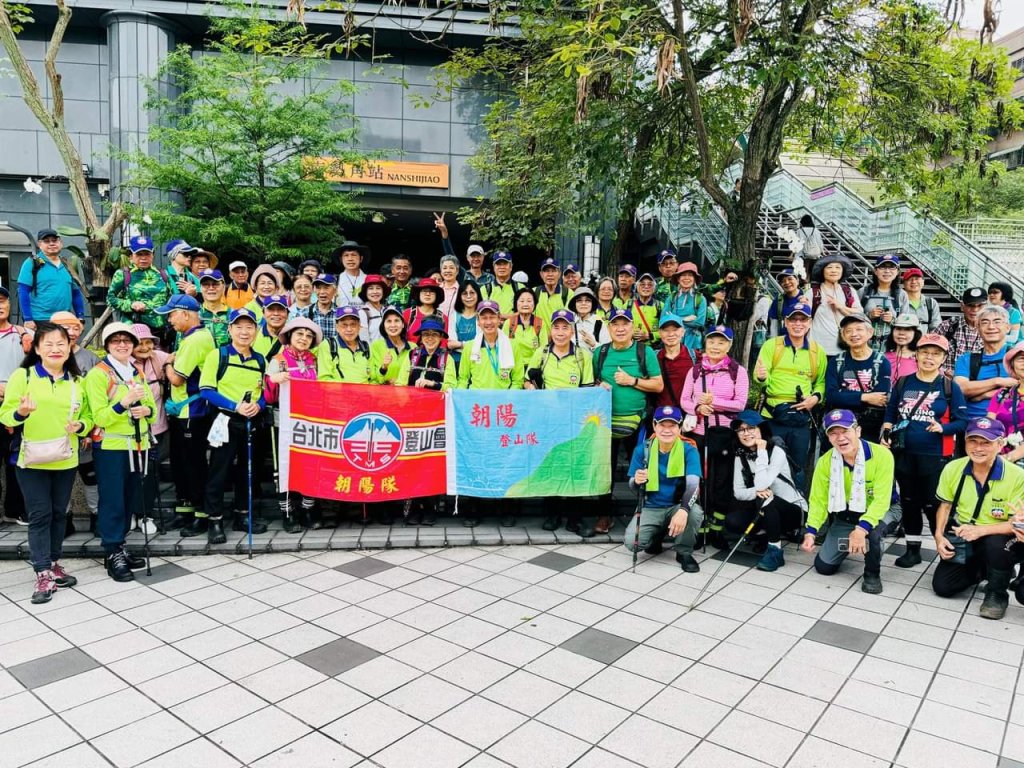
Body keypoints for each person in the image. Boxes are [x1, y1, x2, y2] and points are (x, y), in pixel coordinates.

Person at [0, 322, 91, 603]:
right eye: (48, 344)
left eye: (61, 344)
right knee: (39, 515)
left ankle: (53, 563)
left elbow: (88, 418)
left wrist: (82, 426)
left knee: (57, 513)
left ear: (70, 348)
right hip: (31, 459)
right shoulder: (23, 376)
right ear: (37, 348)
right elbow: (6, 416)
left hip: (65, 458)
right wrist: (21, 412)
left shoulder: (77, 381)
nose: (55, 349)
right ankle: (42, 572)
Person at [882, 333, 967, 567]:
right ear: (917, 354)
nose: (929, 357)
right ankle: (913, 550)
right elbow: (891, 412)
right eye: (925, 352)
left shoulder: (949, 386)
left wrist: (943, 427)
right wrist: (886, 431)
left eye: (936, 354)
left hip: (935, 455)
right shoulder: (903, 382)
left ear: (943, 359)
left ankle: (947, 548)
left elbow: (963, 421)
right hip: (904, 452)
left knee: (934, 504)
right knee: (909, 502)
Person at [932, 418, 1024, 620]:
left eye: (986, 442)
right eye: (973, 441)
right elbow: (945, 505)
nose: (978, 448)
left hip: (1002, 536)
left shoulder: (1017, 476)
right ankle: (985, 569)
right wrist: (938, 536)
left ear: (1000, 445)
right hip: (965, 535)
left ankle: (996, 594)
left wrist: (981, 530)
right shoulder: (953, 468)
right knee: (943, 586)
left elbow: (1018, 524)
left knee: (995, 545)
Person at [87, 323, 157, 583]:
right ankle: (112, 551)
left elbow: (151, 405)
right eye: (115, 341)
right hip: (112, 447)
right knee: (113, 500)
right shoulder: (98, 375)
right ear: (106, 345)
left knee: (129, 498)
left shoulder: (135, 371)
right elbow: (100, 417)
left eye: (126, 340)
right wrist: (124, 404)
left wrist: (146, 411)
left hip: (137, 445)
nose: (122, 345)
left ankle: (120, 545)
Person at [802, 409, 897, 594]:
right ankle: (856, 543)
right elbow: (818, 499)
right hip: (847, 514)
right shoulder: (825, 461)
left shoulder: (882, 455)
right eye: (833, 433)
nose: (840, 438)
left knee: (873, 534)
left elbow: (881, 500)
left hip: (885, 509)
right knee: (824, 566)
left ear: (858, 431)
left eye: (845, 431)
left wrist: (861, 530)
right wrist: (811, 531)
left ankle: (872, 572)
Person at [523, 309, 596, 538]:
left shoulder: (582, 356)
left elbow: (587, 390)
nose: (561, 332)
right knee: (551, 466)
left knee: (575, 468)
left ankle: (575, 518)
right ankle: (552, 514)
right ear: (551, 329)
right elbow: (527, 380)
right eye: (557, 327)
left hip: (574, 422)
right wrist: (531, 388)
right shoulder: (541, 354)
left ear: (572, 330)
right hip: (547, 421)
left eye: (565, 327)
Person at [199, 308, 269, 544]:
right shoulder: (218, 355)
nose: (244, 332)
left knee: (247, 471)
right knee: (219, 471)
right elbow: (206, 390)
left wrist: (258, 405)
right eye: (238, 326)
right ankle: (215, 520)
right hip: (224, 420)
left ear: (256, 331)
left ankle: (243, 515)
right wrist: (234, 405)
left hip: (251, 421)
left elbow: (265, 392)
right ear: (229, 329)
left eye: (249, 327)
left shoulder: (260, 359)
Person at [593, 308, 664, 533]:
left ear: (633, 327)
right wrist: (598, 385)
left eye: (625, 324)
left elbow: (658, 384)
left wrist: (632, 380)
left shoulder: (645, 352)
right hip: (606, 422)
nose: (620, 328)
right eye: (615, 324)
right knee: (606, 470)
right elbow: (593, 380)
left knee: (639, 468)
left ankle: (642, 513)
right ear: (609, 328)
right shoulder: (601, 352)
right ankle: (604, 514)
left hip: (637, 421)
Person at [158, 294, 216, 534]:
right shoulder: (189, 337)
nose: (169, 320)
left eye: (171, 314)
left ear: (185, 313)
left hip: (194, 411)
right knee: (181, 463)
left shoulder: (195, 340)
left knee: (194, 464)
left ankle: (202, 514)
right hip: (182, 411)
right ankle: (185, 511)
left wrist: (166, 363)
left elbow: (177, 378)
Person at [753, 302, 826, 490]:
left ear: (810, 322)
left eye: (803, 319)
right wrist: (761, 378)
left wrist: (815, 398)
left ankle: (796, 506)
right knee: (768, 461)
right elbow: (761, 377)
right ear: (786, 322)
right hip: (772, 416)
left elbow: (821, 382)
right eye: (793, 319)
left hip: (802, 419)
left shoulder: (817, 352)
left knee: (797, 465)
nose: (798, 323)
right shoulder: (772, 346)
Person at [624, 406, 703, 573]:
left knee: (694, 512)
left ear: (680, 427)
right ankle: (657, 535)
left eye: (672, 425)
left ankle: (684, 552)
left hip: (676, 504)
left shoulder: (689, 450)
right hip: (651, 505)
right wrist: (636, 481)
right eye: (662, 425)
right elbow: (633, 487)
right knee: (633, 544)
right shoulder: (642, 450)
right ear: (654, 425)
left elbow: (693, 485)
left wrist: (683, 510)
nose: (667, 430)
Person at [729, 411, 807, 572]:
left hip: (794, 510)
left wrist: (762, 451)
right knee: (733, 521)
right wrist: (757, 492)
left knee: (766, 500)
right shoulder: (740, 455)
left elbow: (763, 483)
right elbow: (739, 492)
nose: (746, 433)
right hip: (764, 506)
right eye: (741, 430)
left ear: (761, 430)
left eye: (751, 428)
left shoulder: (776, 451)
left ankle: (775, 551)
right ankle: (766, 536)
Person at [265, 317, 322, 532]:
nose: (304, 339)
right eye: (300, 334)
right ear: (289, 336)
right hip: (284, 422)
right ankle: (288, 512)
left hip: (310, 422)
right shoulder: (278, 359)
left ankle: (308, 508)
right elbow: (268, 396)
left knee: (310, 464)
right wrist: (273, 380)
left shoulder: (315, 360)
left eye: (308, 336)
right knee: (284, 467)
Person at [824, 314, 891, 442]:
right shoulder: (836, 361)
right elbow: (831, 396)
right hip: (840, 423)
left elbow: (880, 398)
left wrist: (844, 396)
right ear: (843, 336)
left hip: (870, 426)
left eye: (859, 329)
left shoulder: (881, 362)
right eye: (848, 331)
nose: (854, 334)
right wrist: (865, 397)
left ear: (870, 332)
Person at [130, 323, 171, 530]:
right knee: (131, 473)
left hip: (156, 428)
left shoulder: (158, 358)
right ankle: (131, 512)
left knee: (151, 474)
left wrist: (170, 368)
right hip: (128, 431)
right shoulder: (122, 363)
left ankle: (146, 514)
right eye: (139, 343)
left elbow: (176, 358)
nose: (144, 347)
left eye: (148, 342)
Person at [681, 325, 749, 442]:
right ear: (705, 344)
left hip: (726, 432)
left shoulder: (738, 371)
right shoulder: (695, 370)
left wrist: (713, 401)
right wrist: (698, 408)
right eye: (711, 342)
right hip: (697, 431)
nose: (715, 347)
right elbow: (684, 400)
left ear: (729, 346)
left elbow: (740, 404)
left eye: (721, 343)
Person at [953, 303, 1014, 421]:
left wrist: (982, 395)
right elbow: (961, 389)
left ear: (1007, 327)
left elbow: (1019, 386)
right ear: (978, 327)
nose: (991, 327)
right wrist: (998, 381)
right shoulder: (966, 359)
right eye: (985, 322)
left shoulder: (1017, 356)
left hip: (1011, 426)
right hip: (972, 426)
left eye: (997, 322)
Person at [0, 288, 30, 526]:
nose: (0, 305)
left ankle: (14, 509)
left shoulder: (23, 335)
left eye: (3, 301)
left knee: (14, 460)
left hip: (16, 407)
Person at [17, 229, 85, 329]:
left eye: (54, 240)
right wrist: (28, 319)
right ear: (40, 244)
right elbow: (23, 291)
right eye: (47, 241)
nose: (51, 243)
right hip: (39, 320)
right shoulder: (32, 263)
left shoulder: (67, 265)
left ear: (60, 243)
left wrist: (80, 316)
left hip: (64, 320)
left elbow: (76, 293)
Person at [106, 235, 176, 332]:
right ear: (131, 256)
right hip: (134, 328)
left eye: (147, 254)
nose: (143, 258)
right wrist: (131, 304)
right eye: (139, 254)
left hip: (161, 328)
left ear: (153, 255)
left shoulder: (163, 274)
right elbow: (110, 299)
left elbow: (172, 298)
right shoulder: (123, 274)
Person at [457, 301, 523, 391]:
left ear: (499, 319)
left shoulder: (513, 346)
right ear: (478, 321)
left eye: (492, 317)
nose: (488, 322)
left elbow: (518, 381)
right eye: (484, 318)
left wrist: (509, 397)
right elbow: (463, 379)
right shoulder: (470, 347)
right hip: (477, 401)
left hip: (503, 402)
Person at [809, 254, 862, 356]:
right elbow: (804, 316)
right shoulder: (813, 292)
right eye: (829, 267)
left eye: (838, 267)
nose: (834, 270)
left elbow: (859, 313)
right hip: (817, 348)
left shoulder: (849, 291)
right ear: (822, 271)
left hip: (844, 346)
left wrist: (841, 307)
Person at [857, 254, 906, 352]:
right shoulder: (863, 291)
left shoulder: (901, 294)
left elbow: (905, 323)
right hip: (864, 346)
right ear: (875, 271)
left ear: (897, 271)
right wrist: (869, 315)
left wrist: (892, 320)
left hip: (890, 347)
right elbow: (853, 317)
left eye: (892, 267)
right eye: (883, 267)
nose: (887, 271)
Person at [986, 342, 1024, 466]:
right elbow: (989, 427)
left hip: (1007, 460)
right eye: (1021, 359)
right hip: (1002, 460)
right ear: (1012, 365)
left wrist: (1009, 457)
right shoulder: (1002, 394)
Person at [935, 287, 986, 377]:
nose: (975, 310)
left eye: (980, 306)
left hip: (977, 384)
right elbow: (927, 353)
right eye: (971, 305)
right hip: (946, 382)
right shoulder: (947, 326)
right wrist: (943, 371)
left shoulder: (991, 330)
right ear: (962, 306)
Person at [652, 313, 696, 411]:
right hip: (660, 416)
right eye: (666, 330)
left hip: (687, 415)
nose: (671, 334)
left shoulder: (695, 357)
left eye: (675, 330)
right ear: (659, 333)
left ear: (683, 332)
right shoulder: (653, 357)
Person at [318, 306, 372, 383]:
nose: (349, 329)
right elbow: (324, 379)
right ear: (337, 327)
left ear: (359, 326)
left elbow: (373, 379)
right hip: (338, 394)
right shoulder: (329, 345)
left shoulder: (366, 347)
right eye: (344, 325)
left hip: (365, 393)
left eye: (353, 324)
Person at [503, 288, 548, 377]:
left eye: (529, 301)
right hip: (513, 368)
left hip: (533, 369)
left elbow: (544, 349)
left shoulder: (540, 323)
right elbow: (503, 347)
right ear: (516, 303)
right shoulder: (509, 323)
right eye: (522, 301)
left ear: (534, 304)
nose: (525, 304)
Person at [668, 262, 706, 354]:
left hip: (694, 343)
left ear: (695, 279)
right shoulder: (671, 298)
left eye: (690, 275)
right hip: (673, 341)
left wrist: (674, 318)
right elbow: (664, 320)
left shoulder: (700, 299)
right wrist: (684, 319)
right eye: (683, 275)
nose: (686, 278)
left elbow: (699, 323)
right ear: (678, 278)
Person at [371, 307, 414, 385]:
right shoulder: (376, 346)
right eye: (389, 321)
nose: (393, 325)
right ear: (383, 325)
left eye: (397, 321)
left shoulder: (413, 347)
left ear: (403, 324)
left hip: (407, 393)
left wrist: (400, 381)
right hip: (384, 393)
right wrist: (384, 367)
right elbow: (375, 378)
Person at [480, 251, 524, 320]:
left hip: (514, 329)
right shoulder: (485, 289)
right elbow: (481, 313)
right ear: (493, 266)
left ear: (511, 266)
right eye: (498, 264)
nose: (502, 267)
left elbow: (524, 312)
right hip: (491, 328)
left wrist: (500, 316)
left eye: (505, 264)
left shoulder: (520, 288)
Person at [404, 278, 448, 345]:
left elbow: (443, 343)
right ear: (418, 294)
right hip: (409, 354)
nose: (428, 294)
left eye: (431, 291)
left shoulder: (442, 317)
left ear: (437, 295)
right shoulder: (408, 314)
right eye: (424, 291)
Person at [448, 281, 481, 367]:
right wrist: (471, 344)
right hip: (456, 360)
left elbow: (482, 342)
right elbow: (451, 344)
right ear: (460, 296)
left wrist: (460, 344)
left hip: (477, 359)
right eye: (465, 293)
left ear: (478, 295)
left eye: (472, 293)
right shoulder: (454, 315)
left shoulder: (482, 315)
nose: (469, 296)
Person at [568, 287, 610, 352]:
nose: (583, 303)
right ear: (574, 304)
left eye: (587, 300)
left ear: (592, 304)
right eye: (579, 300)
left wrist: (593, 344)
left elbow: (607, 350)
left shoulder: (598, 323)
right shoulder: (569, 322)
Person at [197, 269, 231, 347]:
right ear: (200, 288)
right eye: (206, 284)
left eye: (215, 284)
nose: (211, 288)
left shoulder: (234, 315)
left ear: (223, 287)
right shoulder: (193, 315)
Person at [902, 268, 941, 333]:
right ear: (904, 283)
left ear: (923, 282)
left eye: (917, 279)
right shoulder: (899, 302)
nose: (913, 282)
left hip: (925, 341)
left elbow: (936, 327)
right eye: (909, 279)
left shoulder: (931, 303)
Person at [885, 313, 921, 384]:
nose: (901, 333)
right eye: (898, 328)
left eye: (907, 329)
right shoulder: (883, 358)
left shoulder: (921, 359)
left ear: (915, 333)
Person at [253, 294, 289, 362]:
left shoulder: (294, 337)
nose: (276, 313)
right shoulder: (253, 334)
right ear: (263, 313)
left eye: (280, 309)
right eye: (271, 309)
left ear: (287, 314)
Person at [534, 257, 570, 324]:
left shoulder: (568, 293)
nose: (550, 274)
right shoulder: (534, 292)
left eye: (553, 271)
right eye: (546, 271)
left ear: (559, 274)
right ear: (541, 274)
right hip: (539, 334)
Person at [336, 241, 369, 308]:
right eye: (346, 255)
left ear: (361, 258)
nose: (350, 259)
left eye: (354, 255)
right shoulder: (336, 280)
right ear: (341, 259)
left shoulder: (368, 280)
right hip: (342, 317)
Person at [358, 275, 390, 344]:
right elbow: (364, 340)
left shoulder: (388, 310)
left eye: (378, 288)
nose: (375, 292)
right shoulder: (363, 312)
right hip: (374, 353)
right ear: (365, 292)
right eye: (371, 288)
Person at [632, 273, 660, 344]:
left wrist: (650, 335)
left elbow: (668, 330)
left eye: (650, 285)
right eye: (642, 284)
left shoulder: (660, 306)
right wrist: (631, 334)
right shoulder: (628, 305)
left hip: (653, 349)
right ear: (637, 287)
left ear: (654, 288)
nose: (646, 287)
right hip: (632, 348)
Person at [310, 274, 339, 342]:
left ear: (335, 291)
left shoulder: (341, 315)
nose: (322, 292)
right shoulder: (304, 313)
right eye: (318, 288)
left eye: (326, 287)